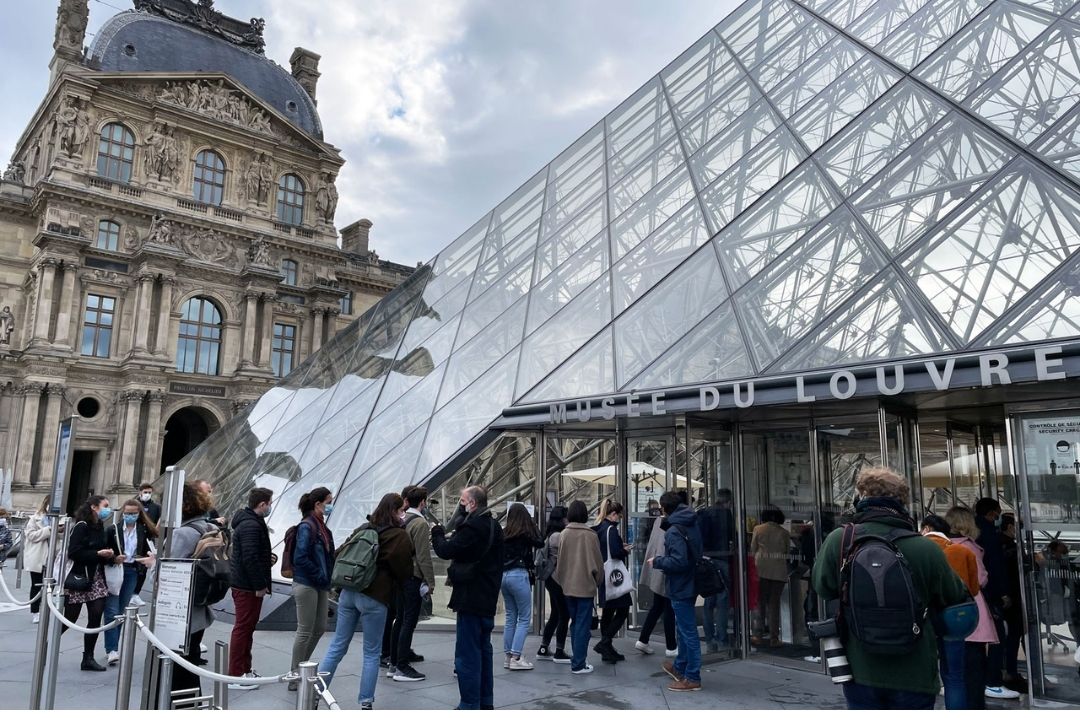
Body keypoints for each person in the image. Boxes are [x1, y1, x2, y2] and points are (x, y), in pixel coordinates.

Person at [811, 468, 970, 709]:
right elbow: (956, 596)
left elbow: (823, 587)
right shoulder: (925, 548)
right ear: (903, 502)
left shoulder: (840, 539)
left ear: (860, 498)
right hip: (915, 670)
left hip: (859, 667)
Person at [319, 493, 413, 710]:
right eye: (401, 511)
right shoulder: (399, 536)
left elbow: (340, 552)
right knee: (371, 652)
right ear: (395, 511)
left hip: (349, 592)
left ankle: (317, 693)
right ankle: (365, 702)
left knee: (337, 645)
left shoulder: (364, 528)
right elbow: (405, 571)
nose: (403, 515)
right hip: (375, 596)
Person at [431, 485, 505, 710]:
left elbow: (445, 550)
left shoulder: (472, 527)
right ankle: (485, 702)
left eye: (462, 501)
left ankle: (469, 704)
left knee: (467, 655)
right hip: (488, 597)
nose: (460, 506)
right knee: (484, 651)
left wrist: (436, 532)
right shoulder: (494, 526)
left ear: (472, 503)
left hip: (471, 597)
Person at [921, 513, 978, 710]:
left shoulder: (916, 549)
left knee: (924, 676)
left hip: (924, 620)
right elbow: (974, 589)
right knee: (954, 676)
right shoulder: (963, 551)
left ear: (926, 529)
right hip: (954, 618)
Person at [946, 505, 999, 710]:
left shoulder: (942, 545)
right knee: (974, 670)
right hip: (970, 612)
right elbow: (981, 579)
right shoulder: (968, 548)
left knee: (955, 672)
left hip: (950, 613)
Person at [650, 491, 704, 692]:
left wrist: (657, 561)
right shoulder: (692, 523)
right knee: (683, 628)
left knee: (687, 631)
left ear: (664, 509)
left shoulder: (674, 530)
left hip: (680, 584)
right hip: (691, 581)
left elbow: (679, 560)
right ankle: (680, 666)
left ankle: (692, 676)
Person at [166, 483, 217, 693]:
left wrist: (153, 565)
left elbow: (164, 577)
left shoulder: (183, 534)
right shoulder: (210, 528)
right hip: (201, 608)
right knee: (190, 664)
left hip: (180, 614)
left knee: (179, 672)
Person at [63, 495, 122, 671]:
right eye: (105, 505)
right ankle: (47, 643)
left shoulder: (99, 526)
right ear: (94, 507)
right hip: (81, 577)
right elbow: (73, 552)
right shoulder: (81, 526)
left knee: (95, 616)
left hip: (97, 578)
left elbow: (99, 551)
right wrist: (98, 554)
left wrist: (111, 556)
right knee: (69, 618)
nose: (108, 509)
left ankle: (88, 657)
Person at [973, 497, 1020, 701]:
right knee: (997, 635)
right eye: (998, 512)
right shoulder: (989, 534)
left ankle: (990, 677)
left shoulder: (977, 533)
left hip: (982, 592)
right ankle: (993, 680)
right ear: (993, 513)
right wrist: (1002, 592)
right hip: (990, 592)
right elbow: (993, 567)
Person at [386, 485, 434, 682]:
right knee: (409, 621)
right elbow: (423, 555)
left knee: (400, 620)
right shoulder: (420, 524)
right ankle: (402, 666)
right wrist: (430, 581)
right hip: (412, 577)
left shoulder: (402, 519)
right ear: (422, 502)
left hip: (398, 574)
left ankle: (393, 662)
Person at [289, 487, 336, 690]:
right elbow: (300, 558)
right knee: (305, 630)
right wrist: (320, 575)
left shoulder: (323, 528)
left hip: (320, 584)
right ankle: (294, 676)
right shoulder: (308, 527)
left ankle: (302, 669)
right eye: (328, 502)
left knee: (318, 628)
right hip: (307, 583)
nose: (330, 506)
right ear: (318, 504)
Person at [227, 487, 274, 690]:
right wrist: (260, 585)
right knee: (243, 629)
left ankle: (244, 670)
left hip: (245, 584)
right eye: (270, 503)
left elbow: (253, 554)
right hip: (247, 586)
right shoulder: (251, 526)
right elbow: (249, 558)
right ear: (262, 504)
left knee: (246, 629)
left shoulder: (250, 523)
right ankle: (236, 674)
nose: (271, 506)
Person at [103, 499, 158, 665]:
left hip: (132, 571)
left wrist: (143, 558)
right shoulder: (113, 530)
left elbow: (149, 548)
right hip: (115, 570)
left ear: (139, 514)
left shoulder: (143, 530)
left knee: (121, 610)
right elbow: (104, 551)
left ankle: (114, 646)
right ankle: (111, 649)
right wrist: (114, 557)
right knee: (112, 610)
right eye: (127, 513)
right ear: (123, 513)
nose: (130, 516)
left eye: (134, 513)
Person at [552, 500, 603, 675]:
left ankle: (577, 659)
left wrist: (563, 580)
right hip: (585, 585)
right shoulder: (590, 535)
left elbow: (560, 562)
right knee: (582, 624)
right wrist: (597, 580)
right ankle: (578, 663)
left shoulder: (564, 534)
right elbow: (598, 563)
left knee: (575, 623)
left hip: (568, 586)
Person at [501, 502, 544, 670]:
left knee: (511, 616)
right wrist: (532, 523)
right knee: (524, 618)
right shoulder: (526, 533)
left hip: (503, 576)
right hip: (519, 575)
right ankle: (516, 657)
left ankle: (508, 656)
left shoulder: (504, 533)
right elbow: (540, 542)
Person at [593, 499, 632, 663]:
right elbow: (615, 553)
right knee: (623, 610)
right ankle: (605, 642)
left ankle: (607, 650)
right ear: (614, 514)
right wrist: (625, 550)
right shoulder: (611, 530)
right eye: (619, 515)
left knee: (607, 613)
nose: (619, 518)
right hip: (614, 576)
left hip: (603, 574)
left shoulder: (599, 528)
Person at [635, 509, 676, 658]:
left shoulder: (659, 521)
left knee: (658, 607)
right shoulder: (669, 522)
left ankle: (643, 639)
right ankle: (671, 646)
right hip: (665, 569)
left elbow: (653, 545)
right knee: (668, 608)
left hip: (658, 568)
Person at [698, 488, 735, 652]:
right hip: (722, 558)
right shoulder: (726, 514)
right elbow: (732, 536)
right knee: (722, 601)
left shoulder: (705, 512)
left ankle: (709, 638)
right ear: (728, 501)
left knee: (709, 601)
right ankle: (722, 638)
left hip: (706, 559)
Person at [750, 506, 790, 648]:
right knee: (774, 604)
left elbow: (753, 549)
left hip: (761, 569)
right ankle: (774, 638)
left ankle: (758, 635)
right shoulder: (784, 532)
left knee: (759, 603)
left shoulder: (758, 529)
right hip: (779, 571)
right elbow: (787, 551)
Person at [536, 506, 571, 663]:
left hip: (551, 579)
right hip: (557, 579)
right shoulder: (559, 536)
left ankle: (543, 648)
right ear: (563, 519)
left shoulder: (550, 534)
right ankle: (559, 651)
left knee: (556, 614)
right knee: (564, 614)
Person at [999, 514, 1025, 691]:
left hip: (1003, 596)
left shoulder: (993, 543)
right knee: (1014, 634)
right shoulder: (1010, 548)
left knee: (1005, 635)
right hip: (1012, 597)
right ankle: (1010, 671)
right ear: (1009, 527)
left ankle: (1005, 669)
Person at [23, 496, 51, 624]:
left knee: (51, 586)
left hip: (53, 557)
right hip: (38, 556)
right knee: (36, 585)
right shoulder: (35, 518)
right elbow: (30, 535)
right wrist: (48, 530)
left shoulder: (64, 519)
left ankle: (47, 609)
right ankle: (35, 611)